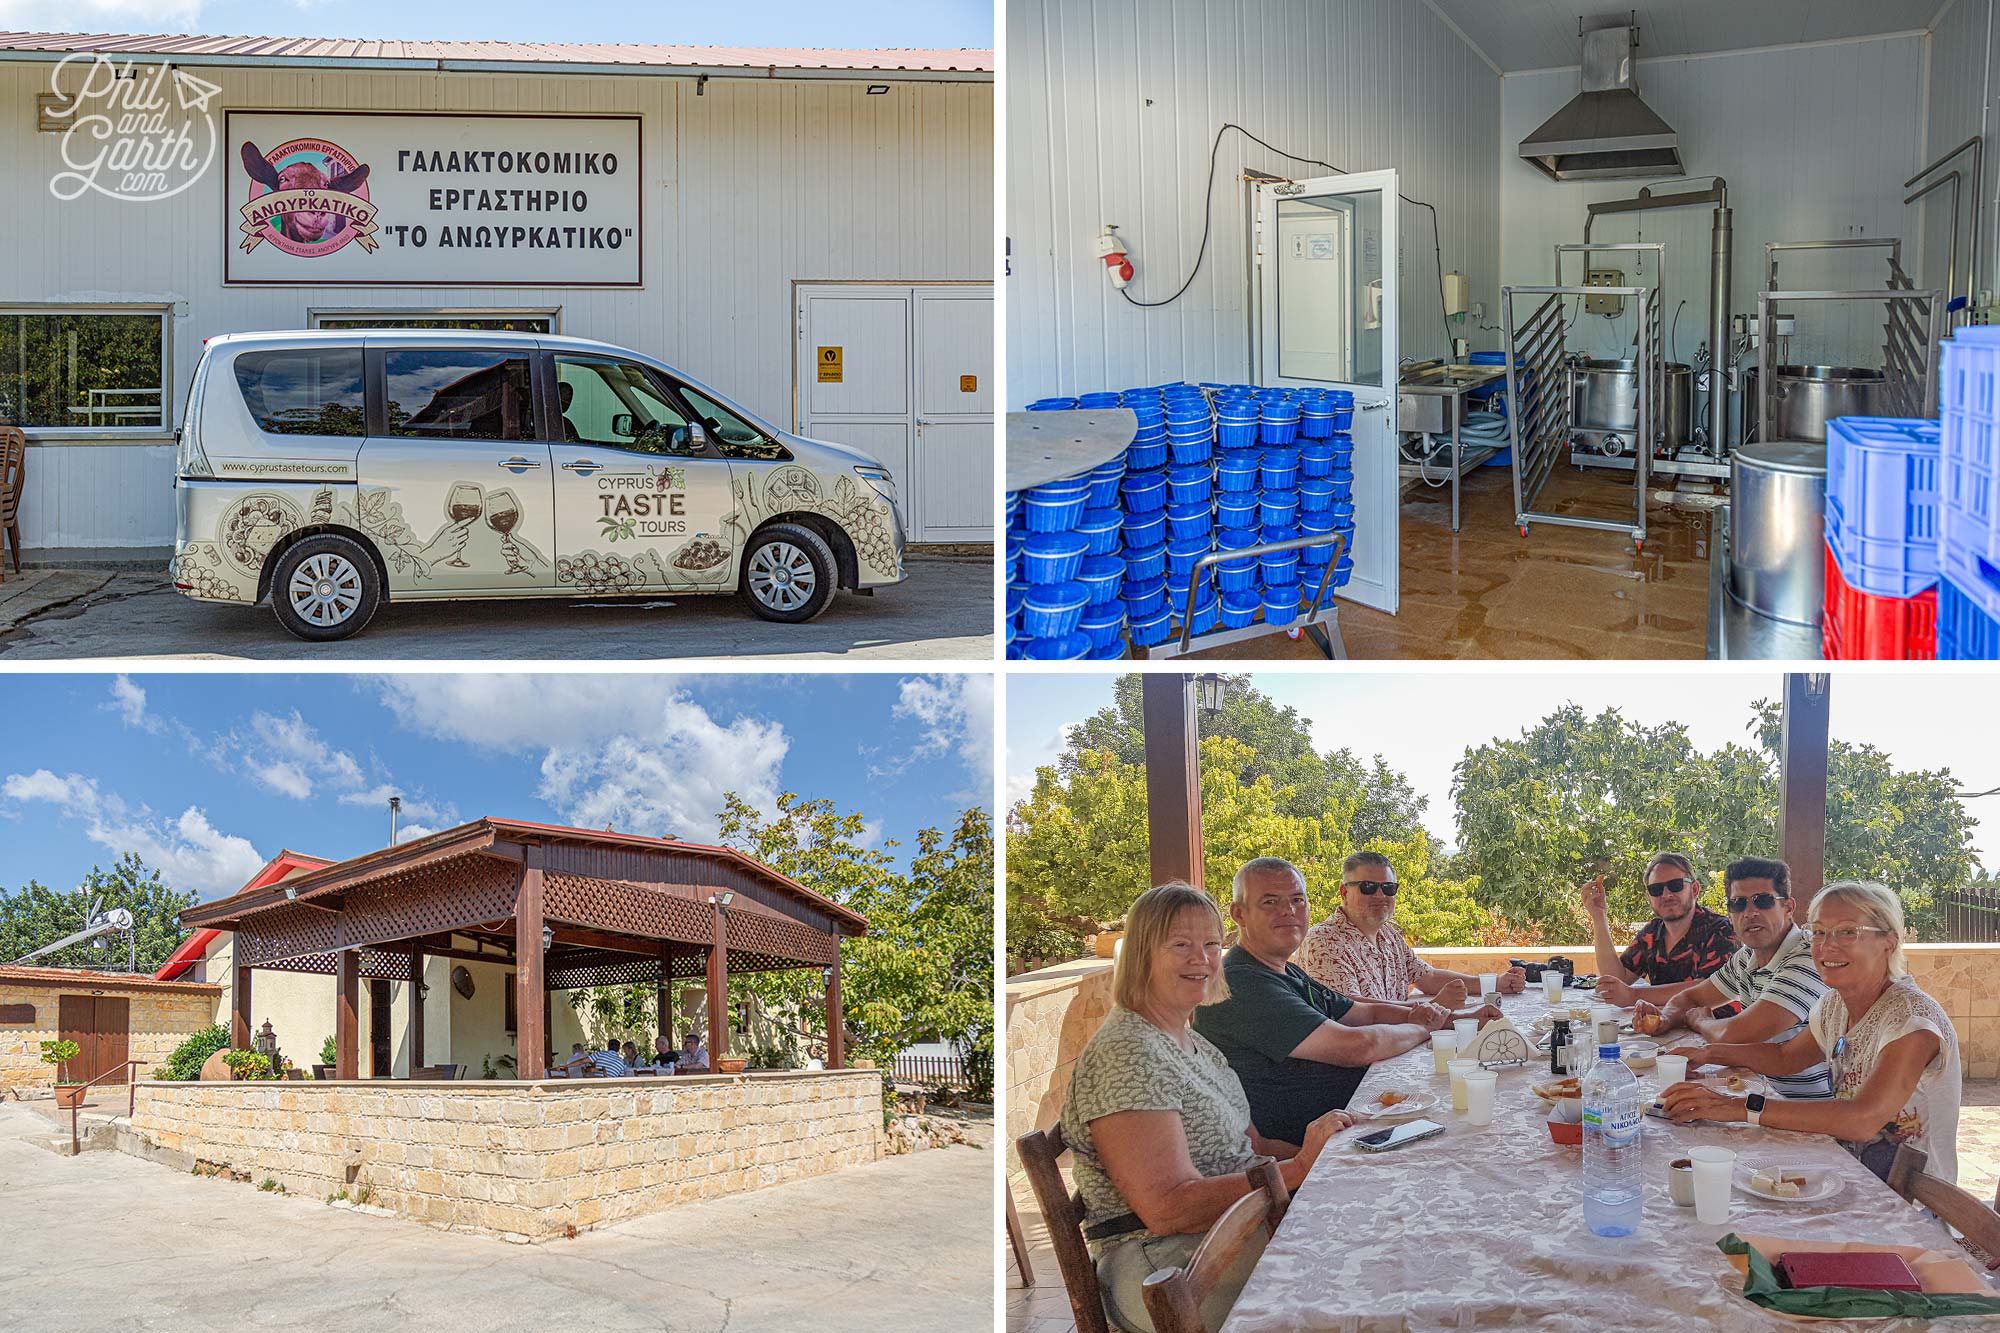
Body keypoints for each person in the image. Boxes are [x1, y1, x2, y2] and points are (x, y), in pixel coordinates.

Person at [1062, 882, 1358, 1333]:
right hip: (1164, 1267)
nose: (1201, 959)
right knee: (1357, 1277)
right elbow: (1168, 1209)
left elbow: (1254, 1145)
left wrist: (1340, 1153)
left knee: (1378, 1229)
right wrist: (1299, 1168)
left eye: (1211, 945)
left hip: (1233, 1228)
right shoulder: (1127, 1053)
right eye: (1180, 945)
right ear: (1142, 953)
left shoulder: (1196, 1044)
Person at [1661, 882, 1961, 1183]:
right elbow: (1784, 1056)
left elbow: (1862, 1119)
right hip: (1850, 1171)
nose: (1827, 945)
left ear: (1889, 942)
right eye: (1818, 932)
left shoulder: (1910, 1020)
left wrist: (1737, 1108)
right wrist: (1708, 1054)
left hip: (1909, 1204)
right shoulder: (1836, 1004)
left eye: (1847, 932)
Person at [1192, 858, 1499, 1150]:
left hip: (1350, 1115)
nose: (1289, 911)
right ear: (1239, 914)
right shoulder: (1244, 984)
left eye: (1297, 900)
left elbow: (1363, 1012)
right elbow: (1358, 1046)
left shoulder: (1284, 970)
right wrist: (1424, 1027)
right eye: (1270, 902)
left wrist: (1451, 1018)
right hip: (1311, 1144)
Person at [1639, 857, 1832, 1099]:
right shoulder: (1747, 956)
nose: (1750, 913)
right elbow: (1691, 998)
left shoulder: (1808, 957)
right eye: (1738, 904)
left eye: (1763, 901)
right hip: (1759, 1092)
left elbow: (1735, 1035)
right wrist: (1664, 1020)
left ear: (1789, 907)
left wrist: (1700, 1021)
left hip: (1804, 1111)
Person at [1299, 851, 1526, 1004]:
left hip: (1396, 1047)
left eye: (1388, 888)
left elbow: (1429, 977)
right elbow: (1351, 1012)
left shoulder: (1389, 936)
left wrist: (1495, 983)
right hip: (1358, 1070)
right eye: (1368, 887)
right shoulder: (1324, 941)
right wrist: (1431, 1009)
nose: (1380, 895)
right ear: (1344, 892)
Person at [1583, 853, 1736, 1006]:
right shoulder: (1652, 933)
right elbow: (1616, 980)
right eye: (1656, 889)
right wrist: (1599, 916)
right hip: (1665, 1026)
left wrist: (1634, 995)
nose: (1666, 894)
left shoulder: (1721, 929)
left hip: (1715, 1027)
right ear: (1649, 897)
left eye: (1676, 885)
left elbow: (1711, 989)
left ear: (1695, 889)